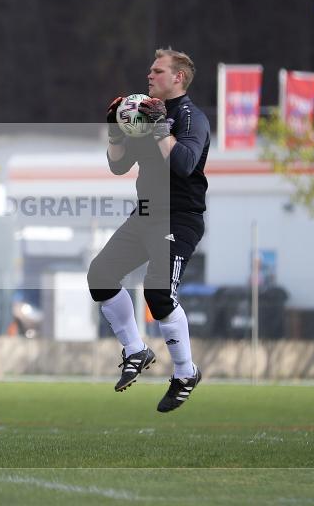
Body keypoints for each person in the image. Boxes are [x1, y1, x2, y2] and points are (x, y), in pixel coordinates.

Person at [87, 48, 209, 412]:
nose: (149, 77)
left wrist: (158, 127)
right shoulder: (145, 112)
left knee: (158, 293)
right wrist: (115, 133)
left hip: (178, 216)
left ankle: (185, 372)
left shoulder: (191, 117)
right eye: (150, 71)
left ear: (178, 77)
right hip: (145, 213)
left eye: (158, 71)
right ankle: (136, 349)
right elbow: (119, 166)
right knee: (100, 275)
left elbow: (185, 164)